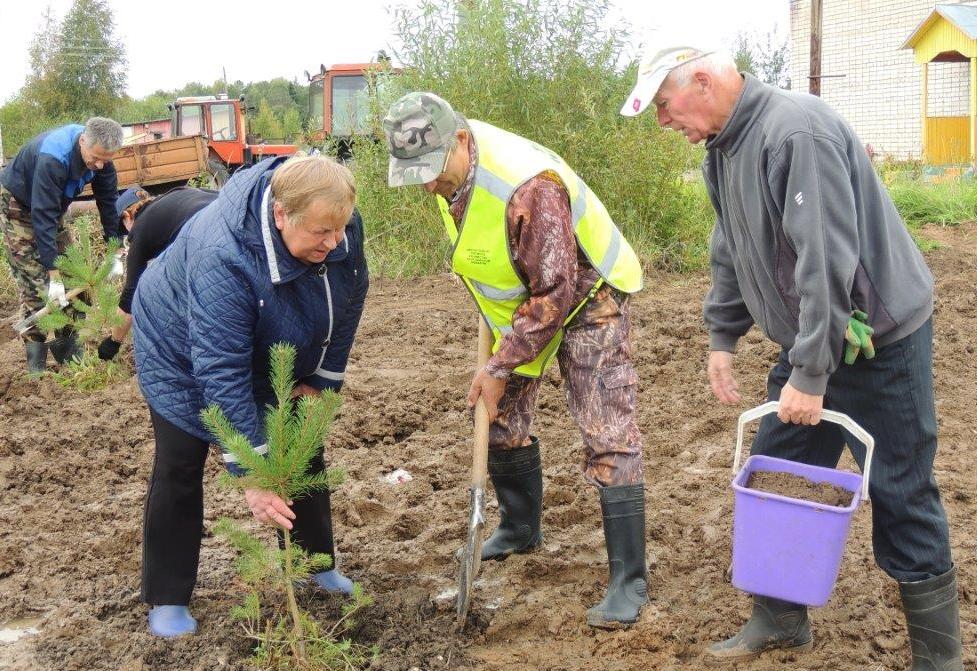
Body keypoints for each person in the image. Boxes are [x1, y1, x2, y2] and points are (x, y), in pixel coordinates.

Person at [621, 46, 963, 667]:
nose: (664, 122)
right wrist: (723, 336)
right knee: (777, 469)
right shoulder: (724, 148)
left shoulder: (794, 132)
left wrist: (811, 374)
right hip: (811, 335)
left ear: (702, 80)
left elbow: (827, 260)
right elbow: (731, 246)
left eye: (665, 107)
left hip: (876, 341)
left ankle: (937, 656)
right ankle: (779, 619)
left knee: (899, 489)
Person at [383, 92, 647, 629]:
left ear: (460, 139)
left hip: (585, 297)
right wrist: (500, 363)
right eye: (416, 174)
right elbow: (495, 255)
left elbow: (555, 292)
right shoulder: (449, 171)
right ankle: (520, 528)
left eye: (432, 171)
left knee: (606, 428)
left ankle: (629, 579)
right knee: (496, 412)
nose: (427, 184)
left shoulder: (530, 186)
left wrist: (501, 366)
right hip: (524, 304)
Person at [131, 155, 369, 638]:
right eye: (322, 232)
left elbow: (350, 299)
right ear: (281, 215)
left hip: (271, 333)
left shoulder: (338, 223)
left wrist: (322, 381)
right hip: (178, 346)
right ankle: (167, 597)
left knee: (302, 444)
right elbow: (220, 370)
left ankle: (313, 564)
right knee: (180, 459)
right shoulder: (223, 254)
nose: (335, 241)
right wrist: (252, 473)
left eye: (340, 229)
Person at [0, 117, 124, 374]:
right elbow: (41, 217)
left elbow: (109, 204)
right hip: (18, 207)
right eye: (95, 158)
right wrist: (53, 276)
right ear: (82, 141)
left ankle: (69, 355)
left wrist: (115, 250)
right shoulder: (54, 158)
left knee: (76, 278)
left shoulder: (102, 160)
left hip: (53, 210)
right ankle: (37, 368)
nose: (99, 165)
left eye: (106, 160)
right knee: (38, 287)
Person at [96, 186, 218, 361]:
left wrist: (113, 341)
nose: (127, 235)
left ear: (126, 216)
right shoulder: (174, 198)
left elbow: (131, 294)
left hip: (207, 239)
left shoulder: (140, 228)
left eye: (124, 230)